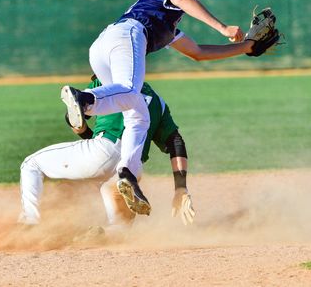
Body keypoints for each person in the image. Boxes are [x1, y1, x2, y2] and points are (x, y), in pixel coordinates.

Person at [61, 0, 260, 216]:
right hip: (128, 35)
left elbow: (198, 52)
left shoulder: (164, 23)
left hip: (104, 46)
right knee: (130, 91)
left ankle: (127, 174)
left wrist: (245, 48)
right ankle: (85, 100)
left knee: (138, 113)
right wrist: (222, 28)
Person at [19, 77, 195, 230]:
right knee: (119, 226)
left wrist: (78, 127)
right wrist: (181, 187)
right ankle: (107, 233)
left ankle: (31, 222)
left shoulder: (104, 81)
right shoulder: (158, 101)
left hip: (104, 150)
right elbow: (176, 142)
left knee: (31, 165)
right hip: (132, 168)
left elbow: (75, 115)